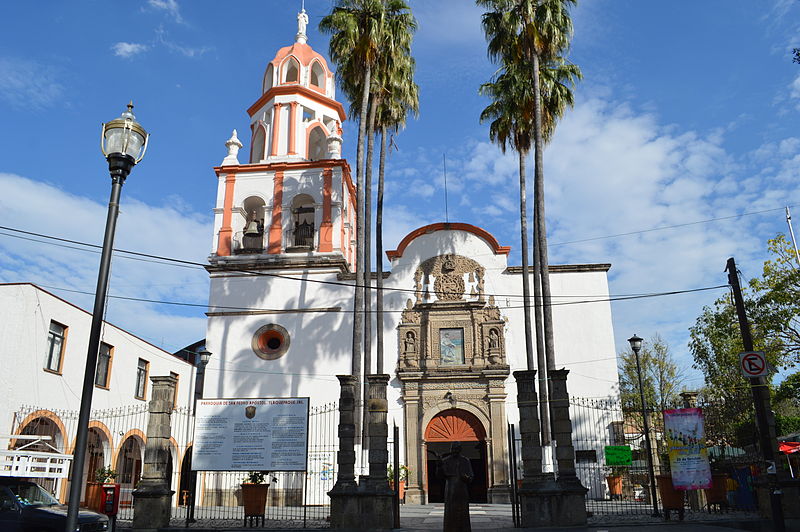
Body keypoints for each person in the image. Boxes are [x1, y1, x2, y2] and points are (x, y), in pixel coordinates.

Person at [432, 443, 473, 532]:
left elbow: (471, 477)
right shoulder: (445, 461)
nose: (454, 450)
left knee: (463, 512)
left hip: (462, 489)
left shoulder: (465, 461)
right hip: (450, 489)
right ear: (451, 449)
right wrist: (439, 466)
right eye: (453, 449)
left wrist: (467, 478)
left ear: (460, 450)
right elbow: (439, 476)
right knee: (450, 512)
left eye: (457, 449)